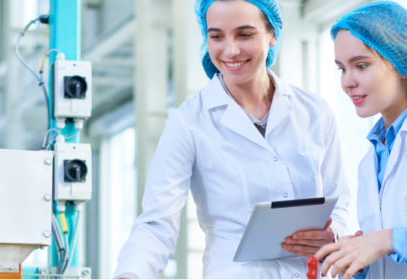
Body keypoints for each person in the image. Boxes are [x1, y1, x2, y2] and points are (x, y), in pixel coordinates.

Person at [114, 0, 350, 279]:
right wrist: (130, 274)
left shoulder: (315, 111)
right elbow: (157, 223)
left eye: (245, 34)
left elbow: (340, 204)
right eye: (216, 36)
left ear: (273, 34)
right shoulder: (188, 122)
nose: (230, 50)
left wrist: (333, 234)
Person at [314, 2, 407, 280]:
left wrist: (387, 240)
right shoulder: (371, 159)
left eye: (361, 65)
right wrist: (358, 261)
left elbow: (388, 240)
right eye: (342, 68)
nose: (347, 82)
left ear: (401, 61)